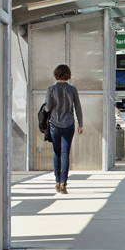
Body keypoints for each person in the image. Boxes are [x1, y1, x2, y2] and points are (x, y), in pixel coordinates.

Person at [43, 64, 83, 193]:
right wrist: (80, 124)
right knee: (66, 153)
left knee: (57, 153)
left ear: (56, 74)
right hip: (69, 124)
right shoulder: (72, 89)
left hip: (54, 124)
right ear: (68, 75)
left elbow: (48, 107)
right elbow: (78, 107)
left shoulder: (51, 89)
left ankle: (57, 181)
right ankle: (64, 183)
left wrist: (44, 109)